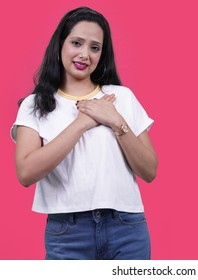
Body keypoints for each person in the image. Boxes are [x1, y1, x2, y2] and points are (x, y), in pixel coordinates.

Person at [10, 6, 158, 260]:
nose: (84, 54)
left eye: (95, 47)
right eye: (76, 43)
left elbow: (149, 170)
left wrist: (116, 121)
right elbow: (26, 173)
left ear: (102, 54)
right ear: (60, 44)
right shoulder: (35, 105)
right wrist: (82, 123)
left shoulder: (121, 98)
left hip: (127, 229)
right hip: (68, 233)